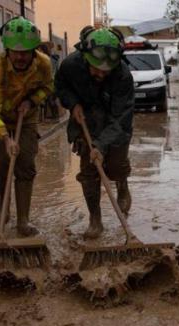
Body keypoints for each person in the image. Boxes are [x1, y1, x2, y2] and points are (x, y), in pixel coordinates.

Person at [55, 27, 134, 239]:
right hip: (86, 121)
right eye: (96, 68)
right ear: (85, 57)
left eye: (106, 70)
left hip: (114, 122)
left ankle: (122, 184)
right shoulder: (70, 65)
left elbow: (120, 119)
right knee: (89, 172)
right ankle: (95, 219)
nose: (101, 74)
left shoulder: (123, 75)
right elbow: (61, 87)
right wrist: (73, 104)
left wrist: (100, 145)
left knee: (116, 165)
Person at [0, 17, 54, 236]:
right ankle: (4, 206)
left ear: (34, 49)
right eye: (16, 52)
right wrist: (5, 138)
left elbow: (48, 87)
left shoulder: (43, 63)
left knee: (25, 164)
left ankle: (23, 220)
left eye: (26, 52)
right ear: (7, 49)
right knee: (2, 161)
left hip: (26, 117)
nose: (21, 57)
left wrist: (31, 101)